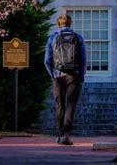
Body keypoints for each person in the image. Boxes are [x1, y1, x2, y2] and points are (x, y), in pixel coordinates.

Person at [44, 14, 86, 145]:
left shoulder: (52, 38)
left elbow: (47, 60)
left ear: (58, 24)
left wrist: (52, 75)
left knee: (60, 106)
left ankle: (59, 134)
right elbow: (83, 59)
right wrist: (81, 75)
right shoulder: (78, 38)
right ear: (70, 23)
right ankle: (66, 135)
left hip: (57, 76)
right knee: (70, 106)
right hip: (74, 76)